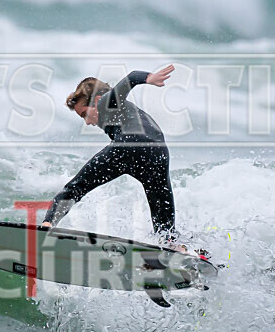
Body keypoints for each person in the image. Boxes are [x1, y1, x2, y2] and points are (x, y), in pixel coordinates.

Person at [41, 65, 178, 243]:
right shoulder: (129, 112)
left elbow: (133, 77)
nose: (87, 122)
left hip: (128, 146)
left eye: (84, 114)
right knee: (162, 215)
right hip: (157, 153)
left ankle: (47, 225)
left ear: (96, 100)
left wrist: (149, 78)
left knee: (76, 187)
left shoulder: (106, 102)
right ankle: (173, 246)